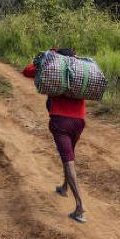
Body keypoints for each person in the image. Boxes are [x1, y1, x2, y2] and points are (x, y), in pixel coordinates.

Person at [23, 48, 87, 223]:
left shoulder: (54, 68)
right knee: (70, 156)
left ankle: (80, 206)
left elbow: (27, 71)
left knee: (68, 161)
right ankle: (64, 187)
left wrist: (48, 55)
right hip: (79, 120)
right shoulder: (80, 70)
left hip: (61, 121)